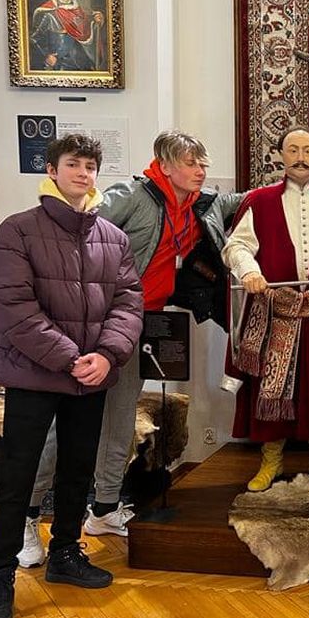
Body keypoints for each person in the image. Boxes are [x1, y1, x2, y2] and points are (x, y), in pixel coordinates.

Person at [16, 131, 243, 568]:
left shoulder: (199, 204)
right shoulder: (132, 196)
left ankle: (103, 508)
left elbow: (242, 200)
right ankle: (27, 516)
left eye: (203, 163)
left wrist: (298, 182)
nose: (200, 170)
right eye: (191, 162)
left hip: (138, 323)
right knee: (62, 425)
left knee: (120, 418)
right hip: (93, 326)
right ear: (166, 165)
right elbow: (79, 235)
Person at [0, 134, 143, 618]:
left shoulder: (112, 237)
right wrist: (72, 358)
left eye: (90, 166)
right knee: (18, 476)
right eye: (73, 164)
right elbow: (13, 306)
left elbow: (128, 302)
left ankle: (66, 553)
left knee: (77, 469)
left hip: (90, 375)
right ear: (51, 170)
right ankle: (0, 576)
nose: (83, 173)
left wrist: (107, 355)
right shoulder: (18, 230)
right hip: (35, 374)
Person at [223, 125, 309, 491]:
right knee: (270, 390)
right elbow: (235, 247)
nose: (301, 158)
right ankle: (271, 460)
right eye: (293, 150)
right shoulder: (259, 202)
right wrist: (249, 271)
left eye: (308, 151)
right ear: (281, 156)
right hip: (276, 312)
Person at [30, 0, 105, 71]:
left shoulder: (78, 9)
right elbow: (34, 39)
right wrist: (47, 56)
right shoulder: (47, 13)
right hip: (61, 66)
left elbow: (86, 28)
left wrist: (95, 20)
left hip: (83, 65)